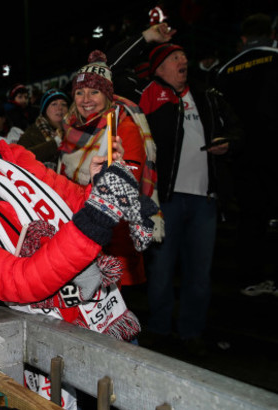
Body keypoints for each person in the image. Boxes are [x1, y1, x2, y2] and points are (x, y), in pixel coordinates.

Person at [0, 89, 158, 342]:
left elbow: (75, 204)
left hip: (102, 308)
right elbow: (17, 281)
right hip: (47, 338)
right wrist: (97, 214)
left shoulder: (9, 157)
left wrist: (98, 187)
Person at [137, 42, 243, 353]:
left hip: (204, 200)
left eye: (184, 55)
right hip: (166, 199)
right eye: (174, 57)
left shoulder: (206, 96)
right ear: (158, 68)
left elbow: (237, 130)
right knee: (161, 271)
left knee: (200, 273)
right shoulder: (149, 97)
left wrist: (229, 144)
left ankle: (191, 332)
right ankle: (158, 329)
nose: (183, 60)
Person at [59, 50, 160, 290]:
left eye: (94, 92)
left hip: (112, 234)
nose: (86, 99)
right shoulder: (69, 129)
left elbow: (130, 184)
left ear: (107, 95)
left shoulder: (123, 126)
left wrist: (120, 168)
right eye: (80, 92)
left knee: (111, 309)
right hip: (76, 229)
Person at [215, 12, 278, 296]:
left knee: (251, 219)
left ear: (243, 39)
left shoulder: (225, 71)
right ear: (272, 35)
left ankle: (250, 279)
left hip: (241, 159)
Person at [17, 88, 70, 168]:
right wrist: (55, 143)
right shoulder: (31, 134)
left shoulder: (74, 131)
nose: (60, 108)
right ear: (44, 110)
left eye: (64, 104)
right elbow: (21, 158)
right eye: (54, 104)